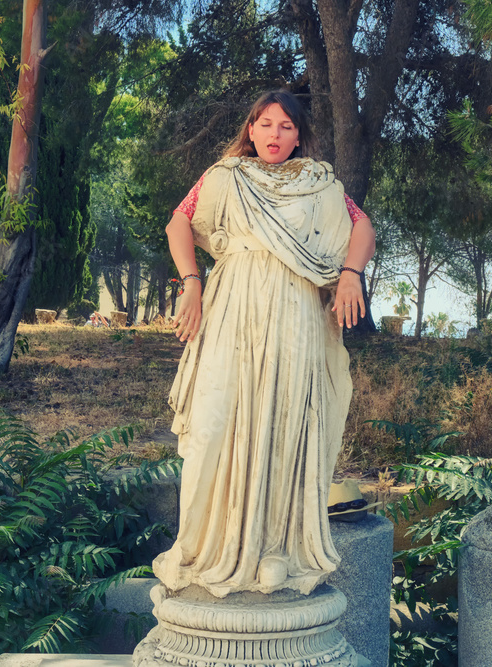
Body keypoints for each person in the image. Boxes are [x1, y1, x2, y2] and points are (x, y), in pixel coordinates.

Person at [155, 90, 376, 598]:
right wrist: (192, 282)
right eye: (265, 124)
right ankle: (200, 546)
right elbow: (179, 220)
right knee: (216, 423)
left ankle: (275, 549)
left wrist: (349, 275)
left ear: (300, 136)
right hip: (232, 309)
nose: (275, 135)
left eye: (286, 127)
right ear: (250, 129)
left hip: (295, 314)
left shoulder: (318, 183)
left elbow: (361, 225)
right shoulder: (225, 176)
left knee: (281, 423)